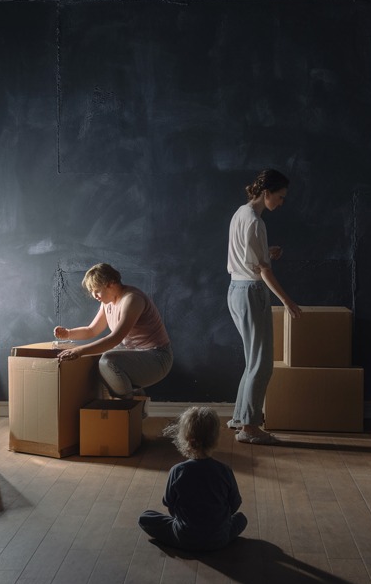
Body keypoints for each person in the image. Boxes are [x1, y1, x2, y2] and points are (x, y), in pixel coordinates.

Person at [227, 168, 301, 445]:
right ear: (266, 192)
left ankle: (240, 419)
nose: (281, 202)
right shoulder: (257, 222)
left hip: (235, 289)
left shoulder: (240, 213)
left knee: (253, 361)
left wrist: (266, 252)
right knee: (263, 364)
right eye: (280, 197)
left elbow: (244, 257)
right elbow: (263, 273)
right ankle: (250, 427)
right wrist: (288, 302)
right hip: (251, 292)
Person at [54, 263, 172, 403]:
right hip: (134, 353)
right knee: (96, 359)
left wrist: (79, 351)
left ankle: (128, 406)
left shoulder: (132, 299)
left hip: (157, 357)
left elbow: (115, 338)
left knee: (108, 361)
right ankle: (134, 396)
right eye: (92, 291)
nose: (94, 295)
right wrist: (68, 333)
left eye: (97, 290)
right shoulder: (107, 302)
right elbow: (92, 330)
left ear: (111, 284)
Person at [138, 406, 247, 551]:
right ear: (215, 438)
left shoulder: (177, 471)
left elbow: (169, 503)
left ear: (186, 439)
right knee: (241, 518)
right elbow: (234, 505)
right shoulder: (224, 471)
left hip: (185, 537)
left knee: (145, 517)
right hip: (219, 538)